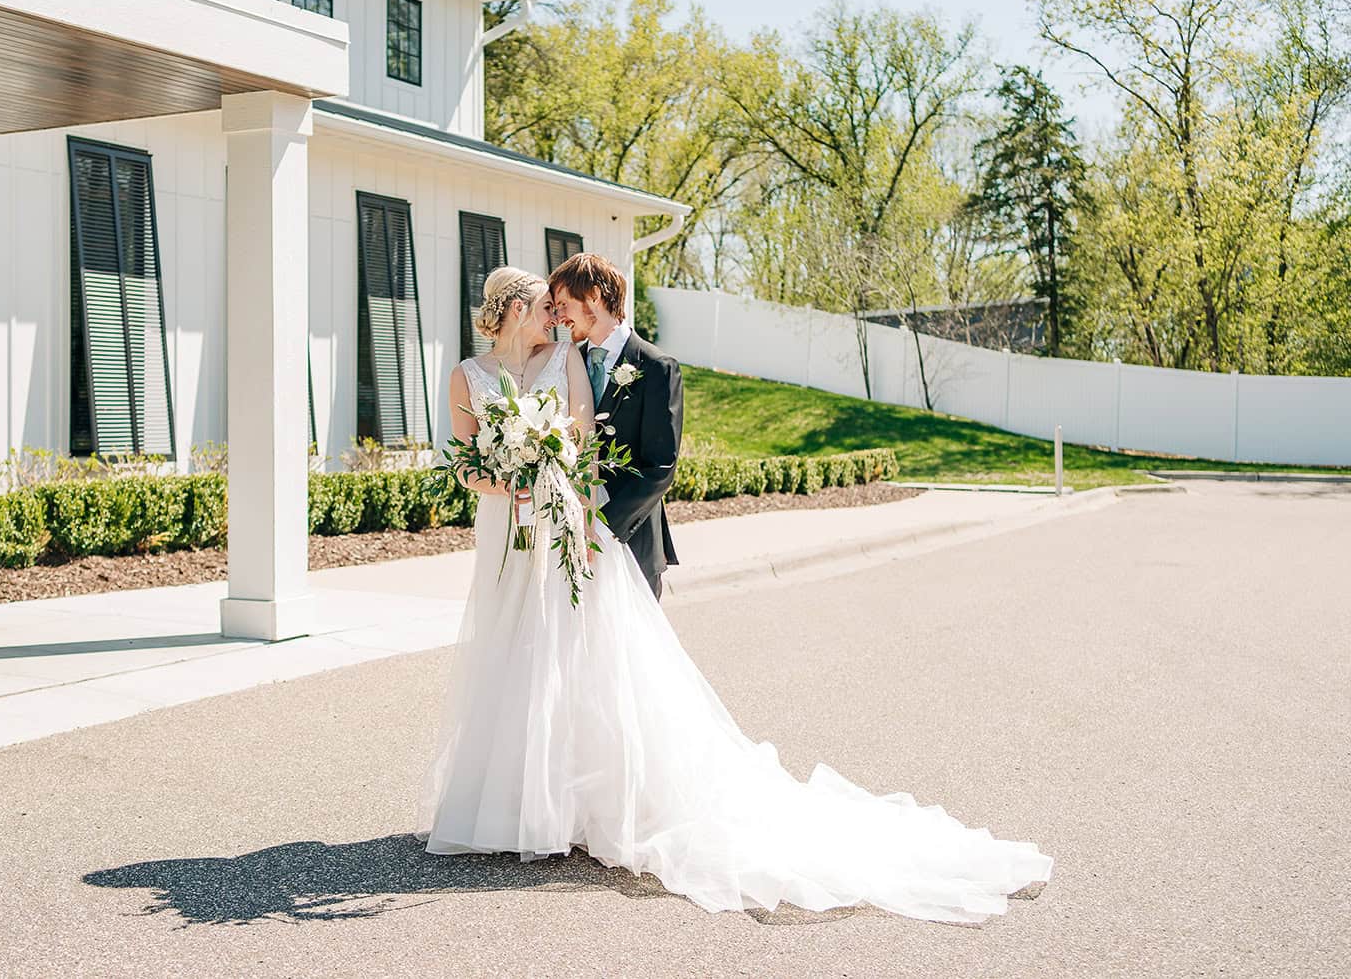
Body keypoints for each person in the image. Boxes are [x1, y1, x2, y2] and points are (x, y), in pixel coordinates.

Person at [415, 264, 1052, 921]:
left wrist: (560, 486)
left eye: (563, 305)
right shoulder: (473, 373)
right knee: (516, 660)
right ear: (517, 309)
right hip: (509, 532)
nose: (556, 315)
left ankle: (587, 804)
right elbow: (468, 463)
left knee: (590, 667)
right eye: (547, 306)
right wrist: (511, 481)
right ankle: (517, 806)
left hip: (574, 529)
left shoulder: (578, 359)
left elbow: (591, 444)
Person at [548, 253, 681, 599]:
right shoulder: (562, 362)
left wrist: (601, 526)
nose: (559, 317)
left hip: (630, 540)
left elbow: (660, 468)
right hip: (568, 536)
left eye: (564, 304)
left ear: (593, 295)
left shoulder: (656, 367)